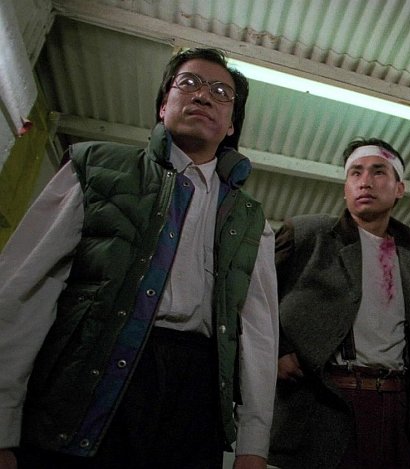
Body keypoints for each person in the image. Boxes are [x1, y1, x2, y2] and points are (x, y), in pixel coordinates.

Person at [0, 48, 279, 469]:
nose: (203, 96)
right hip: (90, 376)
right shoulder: (95, 169)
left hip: (195, 396)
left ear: (231, 125)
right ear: (163, 105)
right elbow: (25, 289)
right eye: (189, 83)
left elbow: (259, 333)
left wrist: (253, 445)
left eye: (221, 93)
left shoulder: (252, 220)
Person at [268, 138, 410, 469]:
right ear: (345, 188)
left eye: (378, 171)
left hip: (395, 406)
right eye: (355, 172)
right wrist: (278, 348)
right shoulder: (308, 234)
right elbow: (252, 293)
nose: (365, 181)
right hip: (325, 404)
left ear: (399, 189)